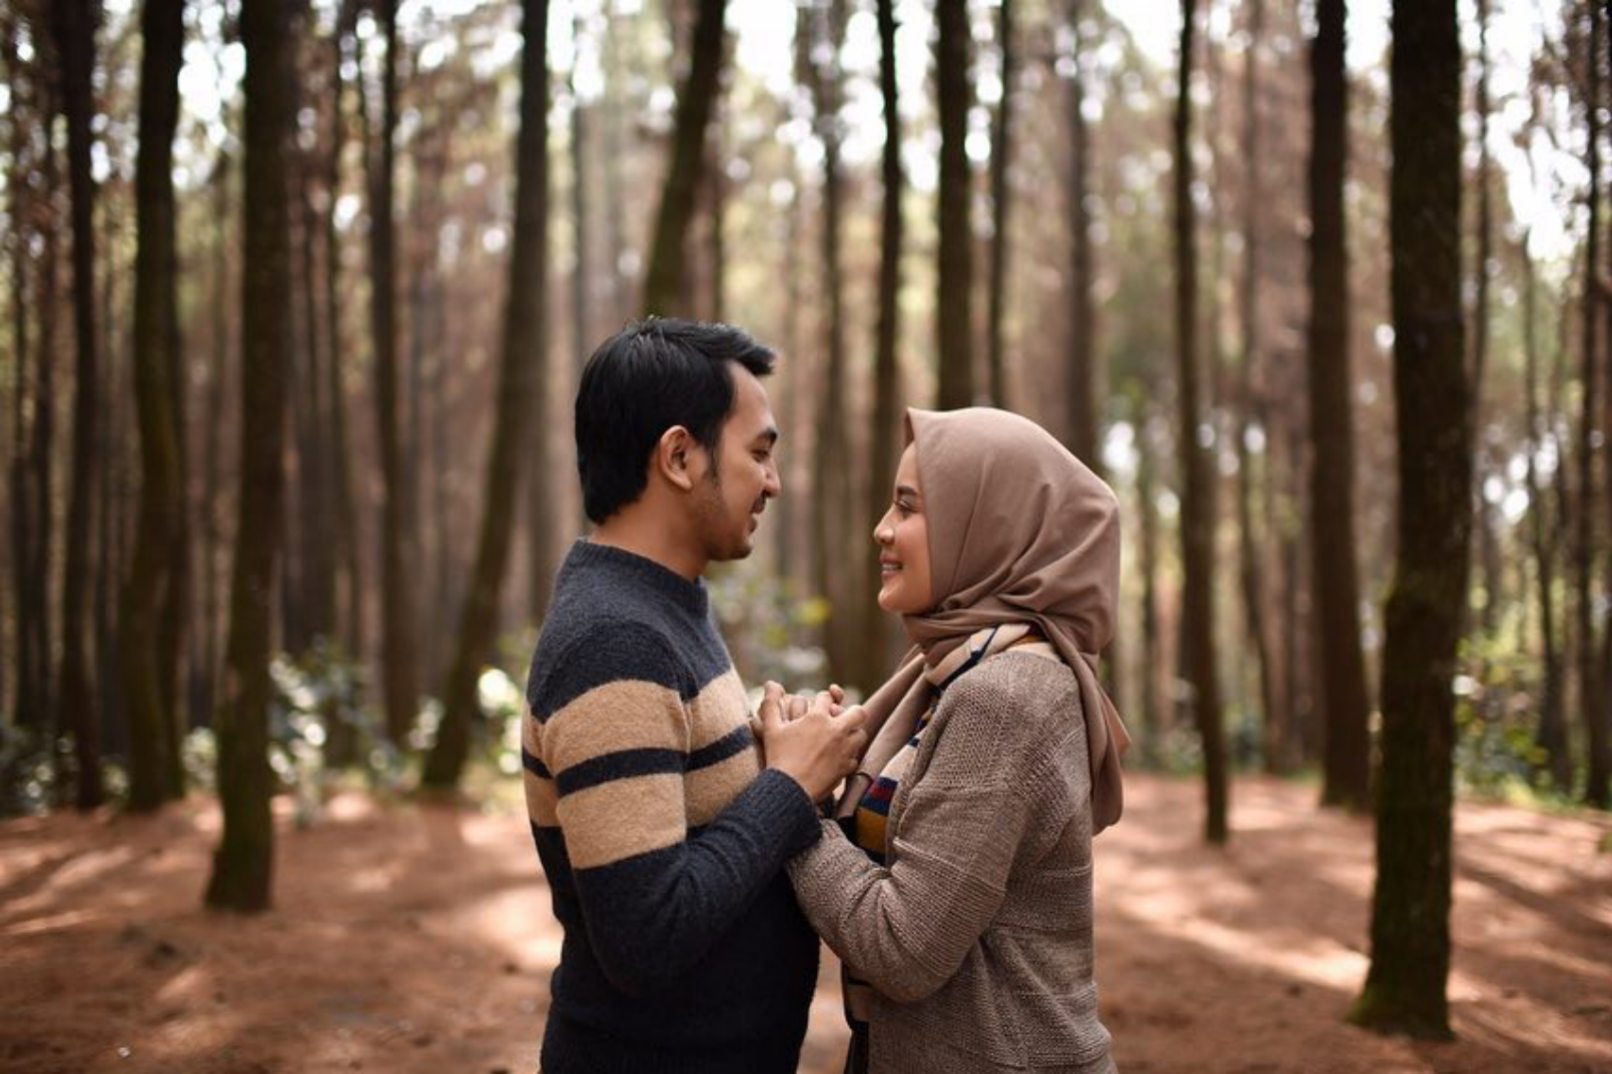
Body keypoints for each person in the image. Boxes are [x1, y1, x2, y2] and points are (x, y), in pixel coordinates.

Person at [521, 318, 868, 1074]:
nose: (772, 481)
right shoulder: (613, 639)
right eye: (759, 452)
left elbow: (684, 807)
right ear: (680, 456)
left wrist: (771, 751)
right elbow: (645, 937)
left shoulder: (662, 609)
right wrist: (787, 784)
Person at [773, 406, 1130, 1074]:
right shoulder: (954, 672)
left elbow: (904, 949)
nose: (882, 529)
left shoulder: (1006, 697)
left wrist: (794, 800)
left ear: (988, 524)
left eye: (909, 508)